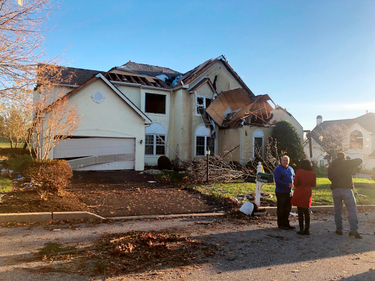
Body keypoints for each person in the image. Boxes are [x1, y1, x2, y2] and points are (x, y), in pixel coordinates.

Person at [328, 152, 363, 239]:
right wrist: (348, 163)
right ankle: (353, 230)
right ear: (343, 157)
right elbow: (360, 160)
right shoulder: (346, 163)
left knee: (338, 210)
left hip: (335, 189)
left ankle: (339, 229)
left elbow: (330, 177)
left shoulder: (331, 166)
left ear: (336, 157)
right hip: (346, 188)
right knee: (352, 209)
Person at [291, 159, 316, 235]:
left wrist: (299, 183)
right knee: (306, 211)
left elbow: (295, 183)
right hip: (307, 192)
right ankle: (307, 229)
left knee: (300, 212)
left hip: (300, 191)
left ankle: (301, 229)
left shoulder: (299, 171)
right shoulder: (313, 173)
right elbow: (314, 185)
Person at [274, 155, 295, 230]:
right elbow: (277, 181)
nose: (285, 162)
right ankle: (281, 224)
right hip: (281, 192)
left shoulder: (291, 169)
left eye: (287, 161)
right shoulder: (278, 169)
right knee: (281, 209)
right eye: (284, 160)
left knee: (288, 209)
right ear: (281, 161)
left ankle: (286, 223)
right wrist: (287, 185)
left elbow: (294, 177)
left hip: (289, 192)